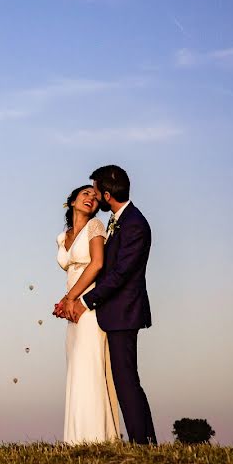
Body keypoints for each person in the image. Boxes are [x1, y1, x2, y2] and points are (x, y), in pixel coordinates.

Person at [55, 165, 157, 445]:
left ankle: (141, 442)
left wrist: (83, 300)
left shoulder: (134, 223)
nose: (95, 197)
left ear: (108, 194)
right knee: (124, 380)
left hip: (123, 312)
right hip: (111, 311)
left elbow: (120, 273)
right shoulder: (120, 221)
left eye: (97, 191)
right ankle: (144, 439)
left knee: (125, 381)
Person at [55, 185, 121, 445]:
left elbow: (97, 264)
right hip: (73, 305)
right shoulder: (63, 237)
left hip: (89, 304)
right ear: (71, 201)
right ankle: (75, 439)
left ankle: (96, 438)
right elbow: (71, 272)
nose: (91, 198)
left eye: (94, 197)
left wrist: (73, 298)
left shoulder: (95, 227)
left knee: (90, 366)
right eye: (85, 194)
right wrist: (64, 301)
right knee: (76, 368)